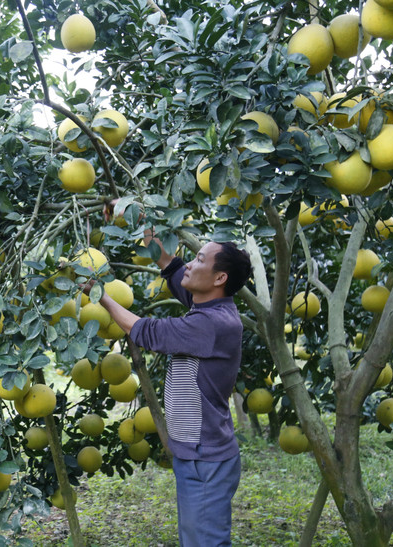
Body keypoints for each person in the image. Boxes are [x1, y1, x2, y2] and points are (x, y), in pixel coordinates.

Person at [87, 216, 251, 546]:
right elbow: (171, 265)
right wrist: (137, 219)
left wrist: (100, 295)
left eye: (200, 259)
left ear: (219, 277)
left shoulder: (212, 324)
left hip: (206, 459)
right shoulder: (209, 305)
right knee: (196, 538)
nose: (191, 264)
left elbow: (145, 331)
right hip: (195, 453)